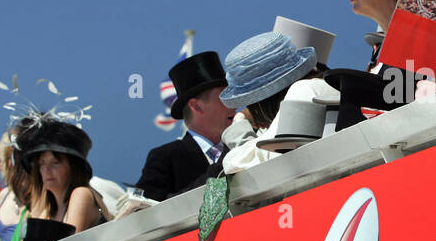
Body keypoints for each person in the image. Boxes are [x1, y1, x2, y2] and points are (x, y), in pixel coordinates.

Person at [133, 51, 235, 201]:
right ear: (196, 106)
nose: (234, 103)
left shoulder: (247, 143)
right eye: (224, 96)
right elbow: (146, 208)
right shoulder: (165, 157)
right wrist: (221, 167)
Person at [217, 31, 324, 174]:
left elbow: (242, 162)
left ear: (262, 101)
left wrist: (238, 123)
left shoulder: (302, 92)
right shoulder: (321, 87)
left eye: (251, 103)